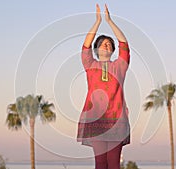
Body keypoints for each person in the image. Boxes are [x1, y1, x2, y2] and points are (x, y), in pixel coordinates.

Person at [77, 4, 130, 169]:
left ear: (113, 50)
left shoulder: (120, 66)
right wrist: (98, 21)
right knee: (100, 163)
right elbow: (86, 46)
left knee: (114, 164)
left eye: (109, 44)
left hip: (117, 121)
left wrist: (110, 21)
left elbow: (124, 44)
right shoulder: (90, 64)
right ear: (97, 49)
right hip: (96, 120)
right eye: (102, 43)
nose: (106, 45)